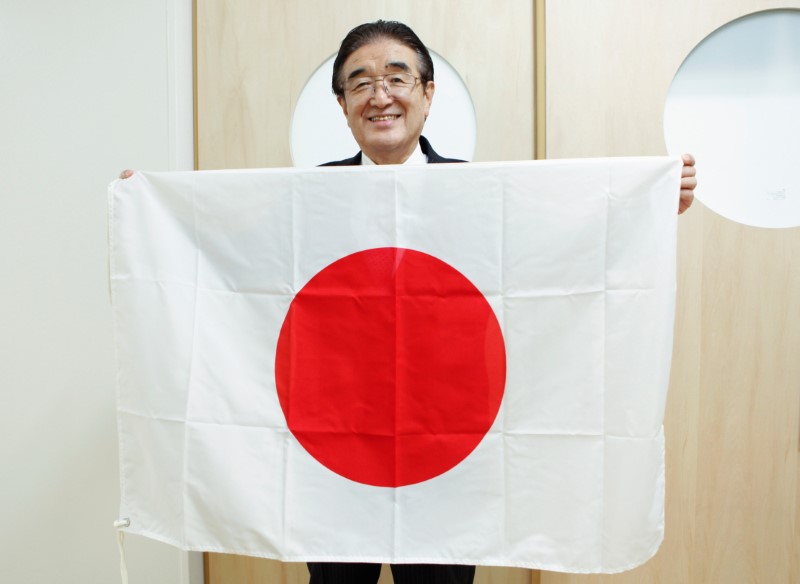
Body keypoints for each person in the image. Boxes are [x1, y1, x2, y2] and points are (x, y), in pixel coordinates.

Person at [119, 19, 698, 584]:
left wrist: (643, 209)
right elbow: (234, 260)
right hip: (334, 445)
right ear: (342, 105)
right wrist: (150, 214)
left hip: (447, 444)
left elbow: (555, 252)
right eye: (360, 82)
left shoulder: (484, 196)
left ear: (427, 93)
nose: (380, 96)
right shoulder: (304, 200)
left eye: (397, 77)